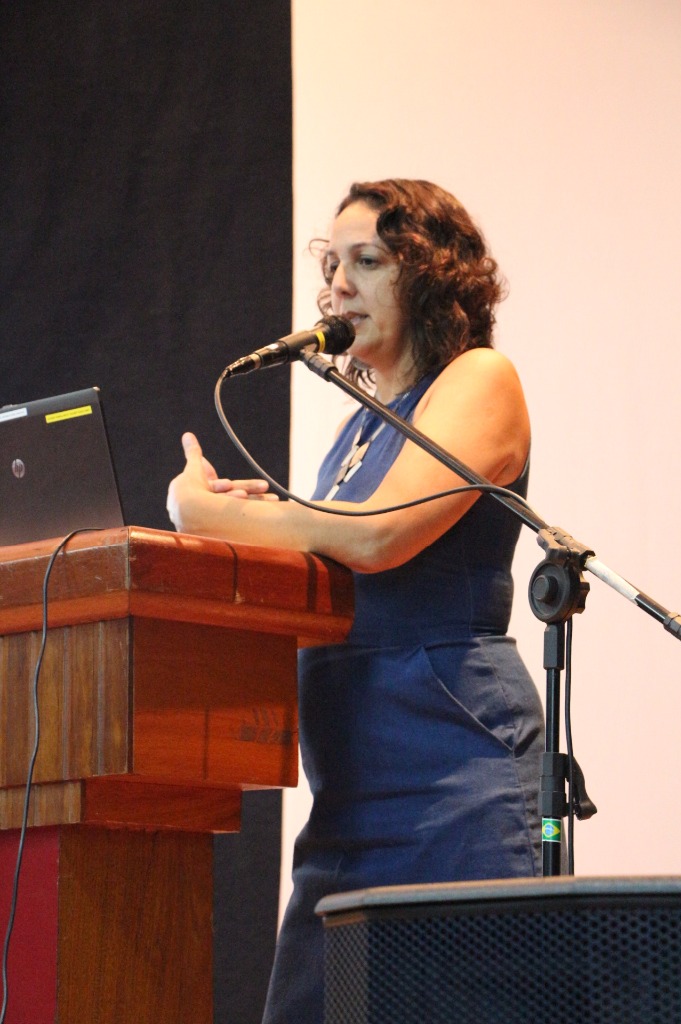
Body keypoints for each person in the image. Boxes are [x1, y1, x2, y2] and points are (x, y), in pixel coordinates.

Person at [167, 178, 545, 1024]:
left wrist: (206, 515)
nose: (337, 285)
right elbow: (335, 556)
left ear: (433, 275)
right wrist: (246, 530)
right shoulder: (361, 424)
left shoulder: (480, 377)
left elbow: (378, 537)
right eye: (332, 264)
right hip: (349, 792)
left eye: (366, 261)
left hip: (453, 778)